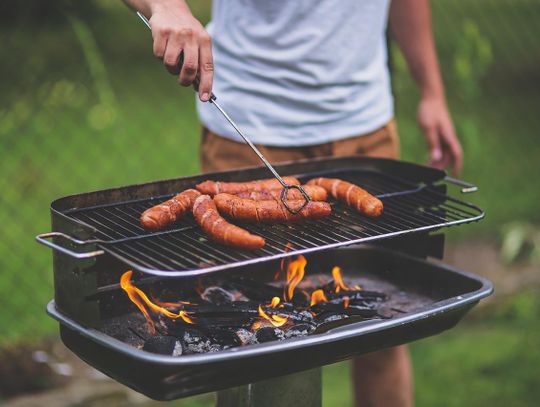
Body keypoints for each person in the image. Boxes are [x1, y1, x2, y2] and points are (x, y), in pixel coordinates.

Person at [123, 1, 463, 405]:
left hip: (365, 127)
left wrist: (432, 93)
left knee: (383, 327)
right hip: (249, 127)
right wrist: (166, 7)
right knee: (249, 337)